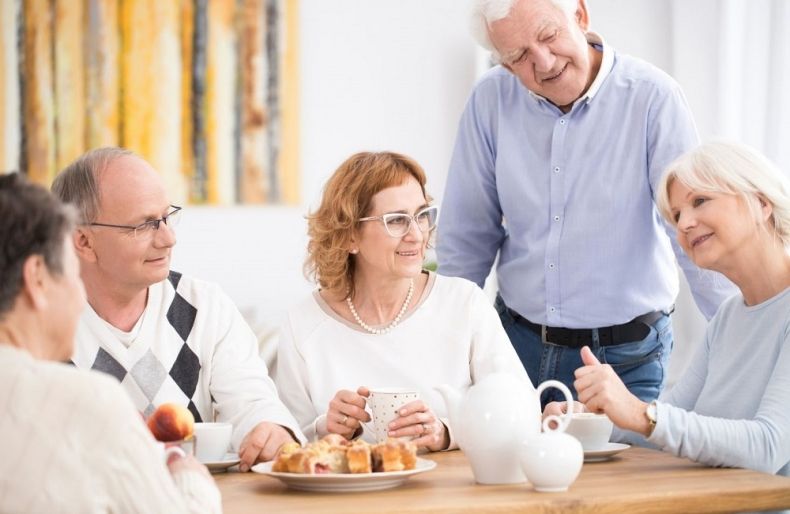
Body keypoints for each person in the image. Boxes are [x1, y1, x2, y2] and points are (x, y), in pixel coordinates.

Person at [436, 0, 736, 407]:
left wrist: (747, 339)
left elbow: (695, 230)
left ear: (579, 15)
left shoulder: (652, 97)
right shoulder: (489, 101)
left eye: (548, 35)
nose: (543, 63)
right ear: (504, 65)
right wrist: (447, 353)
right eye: (519, 56)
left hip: (626, 360)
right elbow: (467, 239)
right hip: (514, 350)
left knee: (628, 471)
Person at [51, 147, 304, 472]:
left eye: (167, 217)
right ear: (83, 241)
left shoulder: (204, 306)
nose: (168, 238)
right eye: (143, 226)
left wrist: (271, 428)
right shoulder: (38, 322)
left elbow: (251, 401)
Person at [549, 141, 790, 476]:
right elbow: (668, 423)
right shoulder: (727, 318)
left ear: (761, 203)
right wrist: (586, 417)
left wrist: (639, 413)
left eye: (700, 201)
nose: (684, 224)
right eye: (676, 215)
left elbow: (768, 447)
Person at [275, 151, 530, 450]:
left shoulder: (464, 303)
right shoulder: (303, 323)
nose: (416, 234)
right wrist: (326, 428)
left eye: (422, 216)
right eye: (396, 220)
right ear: (349, 236)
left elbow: (521, 411)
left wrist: (446, 432)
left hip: (448, 493)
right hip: (346, 496)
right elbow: (285, 442)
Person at [0, 173, 221, 512]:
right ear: (37, 278)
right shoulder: (87, 402)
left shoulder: (203, 302)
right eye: (72, 274)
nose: (78, 298)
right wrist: (186, 471)